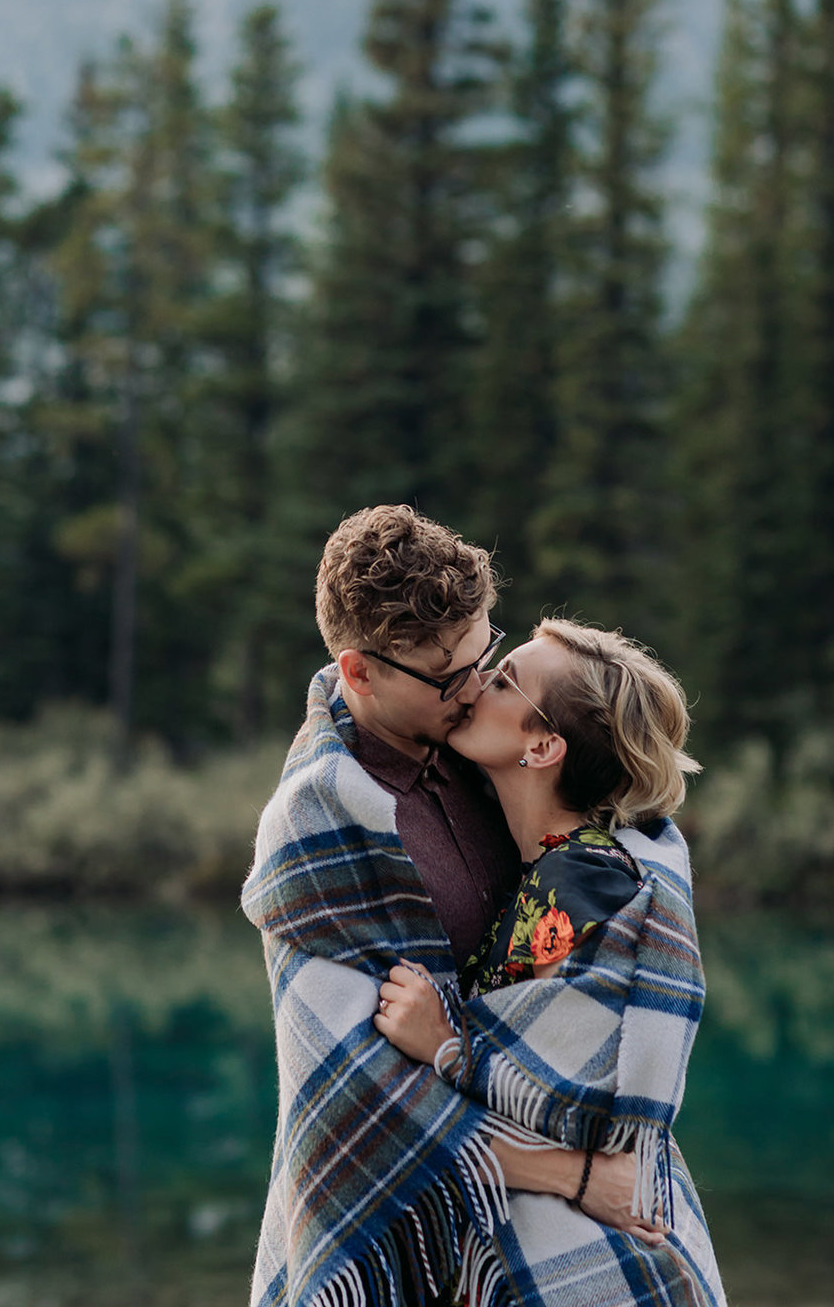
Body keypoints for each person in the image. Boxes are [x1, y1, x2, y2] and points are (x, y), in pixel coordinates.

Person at [242, 507, 666, 1307]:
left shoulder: (485, 756)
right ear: (360, 672)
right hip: (422, 1229)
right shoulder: (321, 824)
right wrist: (574, 1175)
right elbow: (360, 1108)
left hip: (563, 1212)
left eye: (486, 657)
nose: (475, 688)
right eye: (449, 674)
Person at [373, 618, 726, 1307]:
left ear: (541, 745)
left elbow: (572, 1105)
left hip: (600, 1266)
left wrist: (446, 1047)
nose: (477, 685)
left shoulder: (581, 885)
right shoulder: (546, 866)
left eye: (504, 680)